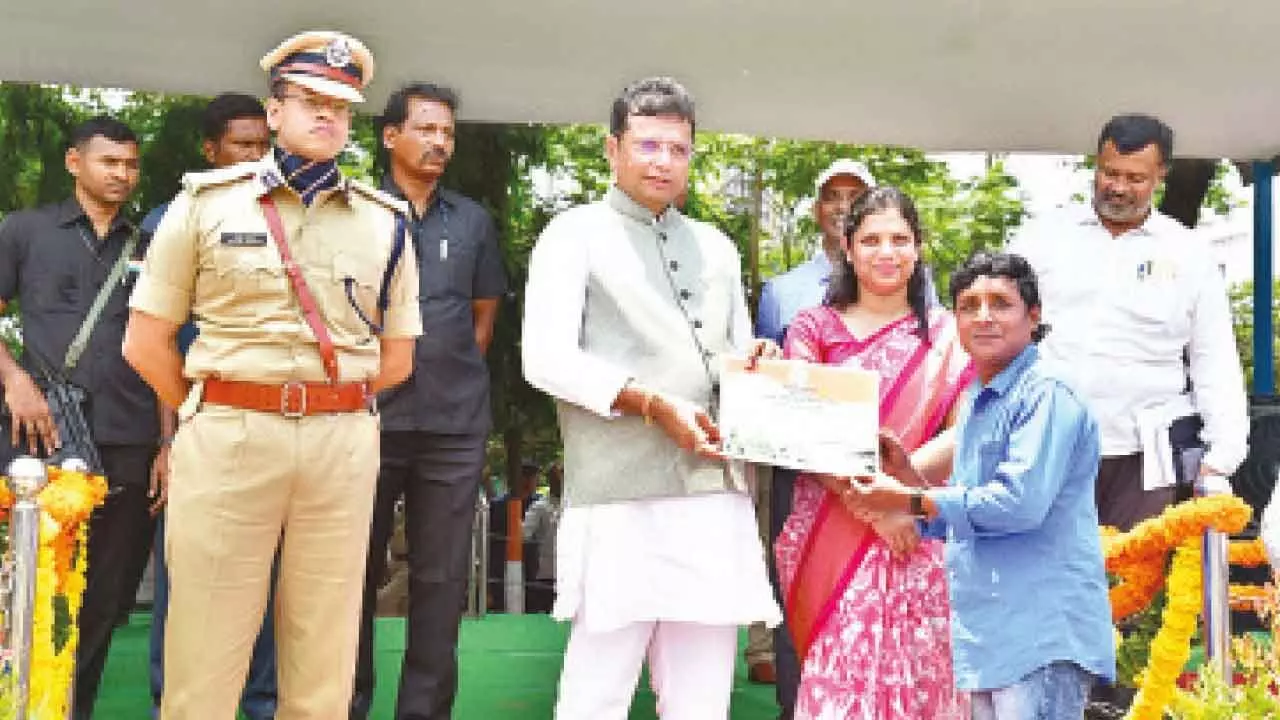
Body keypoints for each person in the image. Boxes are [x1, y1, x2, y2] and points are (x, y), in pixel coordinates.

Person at [123, 30, 421, 719]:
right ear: (275, 111)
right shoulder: (201, 206)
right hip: (229, 435)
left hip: (340, 444)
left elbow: (398, 358)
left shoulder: (386, 224)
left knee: (325, 654)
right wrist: (212, 406)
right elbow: (145, 342)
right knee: (205, 653)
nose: (328, 117)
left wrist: (322, 406)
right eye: (311, 101)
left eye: (342, 108)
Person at [521, 76, 781, 719]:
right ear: (613, 150)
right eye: (648, 145)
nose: (664, 161)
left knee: (702, 693)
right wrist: (649, 403)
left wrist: (752, 364)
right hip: (618, 493)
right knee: (598, 688)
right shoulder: (572, 233)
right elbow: (545, 358)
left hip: (711, 491)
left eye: (679, 149)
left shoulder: (715, 248)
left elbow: (730, 358)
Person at [849, 251, 1116, 720]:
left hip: (1040, 634)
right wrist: (909, 477)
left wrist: (908, 496)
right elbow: (971, 511)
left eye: (1000, 303)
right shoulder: (978, 397)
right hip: (991, 634)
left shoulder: (1046, 393)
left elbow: (1018, 504)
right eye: (970, 305)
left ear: (1034, 316)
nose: (984, 317)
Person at [773, 186, 972, 719]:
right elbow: (798, 428)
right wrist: (869, 506)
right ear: (849, 248)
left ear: (918, 247)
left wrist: (899, 499)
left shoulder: (949, 335)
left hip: (917, 529)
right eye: (872, 240)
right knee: (838, 677)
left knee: (922, 676)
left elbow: (963, 432)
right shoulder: (814, 328)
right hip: (830, 527)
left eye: (900, 239)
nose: (887, 252)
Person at [1007, 114, 1248, 531]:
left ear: (1161, 176)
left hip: (1144, 457)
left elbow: (1214, 360)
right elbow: (999, 333)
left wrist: (1220, 456)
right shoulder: (1041, 239)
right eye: (1108, 172)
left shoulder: (1189, 254)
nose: (1117, 187)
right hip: (1048, 444)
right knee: (1044, 578)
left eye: (1135, 178)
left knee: (1127, 583)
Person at [351, 81, 508, 720]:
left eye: (447, 132)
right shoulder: (352, 210)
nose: (440, 142)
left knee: (441, 582)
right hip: (365, 420)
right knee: (350, 574)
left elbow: (482, 316)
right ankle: (345, 704)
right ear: (391, 136)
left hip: (452, 426)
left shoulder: (470, 220)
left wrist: (440, 372)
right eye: (426, 129)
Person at [0, 115, 162, 720]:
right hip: (41, 435)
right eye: (109, 162)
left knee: (104, 598)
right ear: (75, 163)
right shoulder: (24, 231)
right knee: (32, 588)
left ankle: (73, 711)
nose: (122, 174)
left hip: (130, 437)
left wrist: (168, 444)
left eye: (130, 164)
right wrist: (14, 379)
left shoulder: (149, 245)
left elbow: (165, 344)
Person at [140, 92, 277, 720]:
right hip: (200, 420)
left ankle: (260, 704)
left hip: (278, 429)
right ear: (210, 149)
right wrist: (176, 434)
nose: (253, 157)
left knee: (271, 580)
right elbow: (150, 342)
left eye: (262, 145)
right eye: (241, 145)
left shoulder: (289, 216)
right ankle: (176, 701)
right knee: (189, 576)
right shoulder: (174, 217)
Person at [751, 158, 876, 704]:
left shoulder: (909, 287)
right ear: (817, 209)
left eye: (856, 195)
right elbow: (760, 376)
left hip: (874, 468)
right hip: (798, 468)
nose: (842, 205)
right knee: (793, 582)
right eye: (832, 195)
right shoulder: (783, 291)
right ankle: (796, 705)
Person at [523, 462, 562, 613]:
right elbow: (524, 534)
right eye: (557, 478)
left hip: (571, 573)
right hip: (547, 574)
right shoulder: (540, 507)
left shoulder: (574, 506)